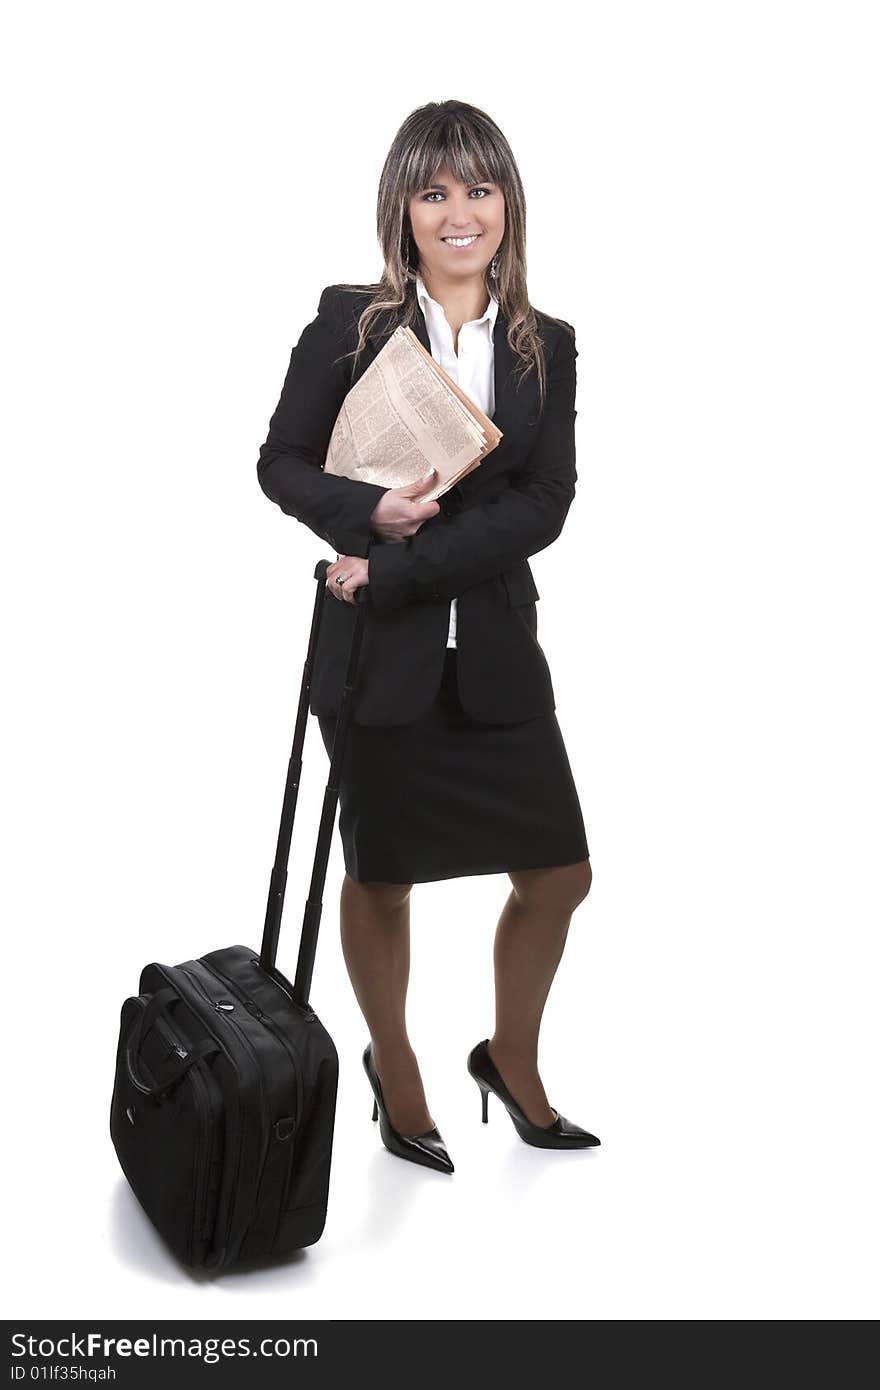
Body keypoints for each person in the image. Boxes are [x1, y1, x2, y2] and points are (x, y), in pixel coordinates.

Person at [257, 100, 600, 1173]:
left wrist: (393, 561)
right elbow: (281, 462)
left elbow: (543, 503)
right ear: (401, 209)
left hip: (495, 650)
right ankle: (396, 1066)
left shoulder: (548, 345)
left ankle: (509, 1056)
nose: (460, 213)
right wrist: (368, 515)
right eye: (434, 190)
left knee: (559, 871)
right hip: (372, 658)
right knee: (385, 871)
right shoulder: (349, 324)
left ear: (510, 203)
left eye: (479, 187)